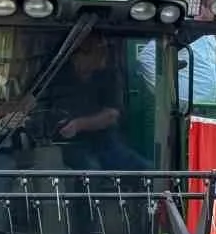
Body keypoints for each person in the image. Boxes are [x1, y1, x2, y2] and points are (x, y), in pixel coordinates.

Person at [47, 33, 151, 172]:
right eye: (99, 50)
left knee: (145, 169)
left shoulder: (109, 75)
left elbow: (111, 115)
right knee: (90, 170)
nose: (104, 54)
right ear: (79, 54)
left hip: (105, 140)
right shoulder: (56, 77)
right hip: (66, 144)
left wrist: (78, 125)